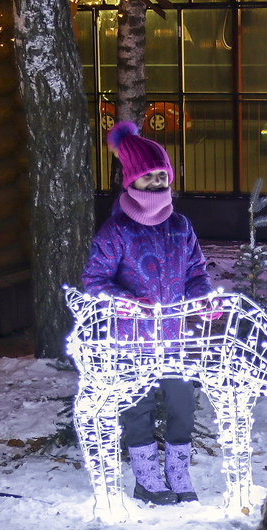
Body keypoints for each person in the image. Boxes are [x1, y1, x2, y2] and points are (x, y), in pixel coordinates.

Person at [83, 121, 215, 505]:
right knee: (136, 409)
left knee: (181, 405)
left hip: (174, 338)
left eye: (163, 175)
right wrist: (125, 301)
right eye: (148, 176)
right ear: (131, 182)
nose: (157, 183)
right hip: (128, 340)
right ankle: (146, 478)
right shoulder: (116, 231)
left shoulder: (180, 226)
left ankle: (177, 472)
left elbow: (195, 272)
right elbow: (94, 280)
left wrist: (203, 298)